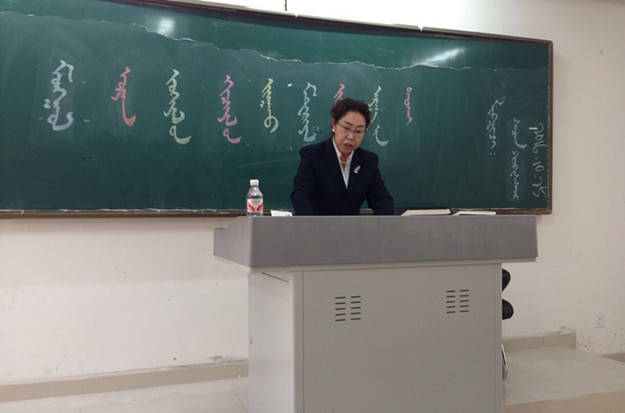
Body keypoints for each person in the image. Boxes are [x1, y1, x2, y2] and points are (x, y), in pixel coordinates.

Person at [290, 97, 394, 215]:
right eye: (346, 128)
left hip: (353, 226)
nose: (351, 137)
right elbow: (300, 195)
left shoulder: (368, 161)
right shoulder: (313, 155)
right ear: (334, 124)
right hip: (318, 225)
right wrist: (311, 224)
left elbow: (381, 199)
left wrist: (387, 223)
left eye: (358, 131)